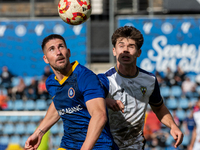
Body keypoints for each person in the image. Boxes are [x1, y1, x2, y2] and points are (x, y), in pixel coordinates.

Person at [24, 34, 118, 150]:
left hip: (98, 145)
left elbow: (100, 115)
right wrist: (39, 133)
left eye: (61, 47)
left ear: (68, 52)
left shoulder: (85, 77)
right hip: (69, 144)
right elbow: (59, 104)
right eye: (52, 49)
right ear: (45, 59)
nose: (58, 52)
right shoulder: (51, 83)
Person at [98, 26, 183, 149]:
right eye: (121, 46)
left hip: (135, 146)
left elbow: (159, 108)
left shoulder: (149, 80)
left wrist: (173, 126)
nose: (125, 50)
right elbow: (86, 103)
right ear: (114, 51)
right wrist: (105, 101)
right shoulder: (103, 80)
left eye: (131, 46)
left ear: (139, 53)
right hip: (107, 146)